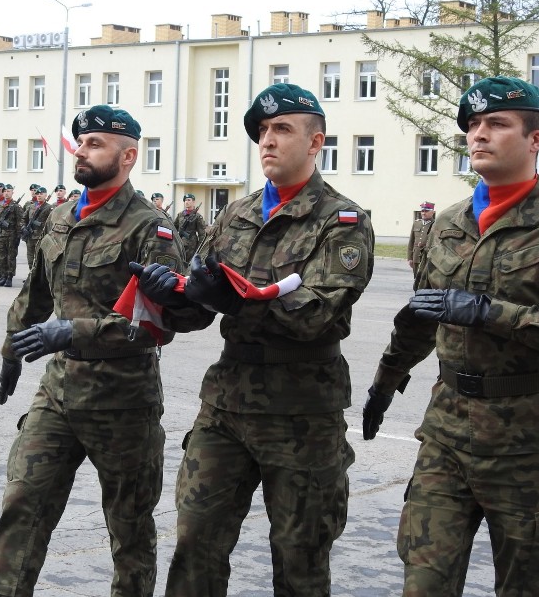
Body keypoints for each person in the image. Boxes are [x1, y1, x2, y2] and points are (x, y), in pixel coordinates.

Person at [362, 76, 539, 597]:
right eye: (473, 125)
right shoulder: (448, 223)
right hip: (446, 433)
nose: (479, 135)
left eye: (497, 124)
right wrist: (385, 382)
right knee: (423, 583)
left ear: (536, 139)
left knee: (526, 585)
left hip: (527, 444)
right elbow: (421, 316)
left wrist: (491, 313)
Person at [139, 83, 373, 596]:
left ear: (316, 143)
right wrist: (172, 296)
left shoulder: (343, 221)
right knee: (194, 541)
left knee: (299, 558)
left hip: (302, 413)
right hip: (226, 405)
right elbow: (198, 309)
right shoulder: (234, 215)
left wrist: (237, 299)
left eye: (282, 129)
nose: (267, 140)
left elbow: (317, 312)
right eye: (262, 131)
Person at [0, 105, 195, 597]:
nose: (81, 149)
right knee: (22, 506)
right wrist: (11, 350)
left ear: (128, 156)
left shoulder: (151, 228)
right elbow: (35, 293)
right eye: (81, 141)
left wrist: (72, 331)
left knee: (129, 529)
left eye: (95, 143)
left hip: (122, 401)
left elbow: (155, 325)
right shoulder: (61, 215)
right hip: (57, 394)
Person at [0, 184, 22, 287]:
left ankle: (9, 277)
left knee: (11, 257)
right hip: (0, 236)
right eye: (5, 191)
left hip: (11, 236)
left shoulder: (16, 206)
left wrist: (18, 237)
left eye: (9, 191)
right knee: (2, 257)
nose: (7, 193)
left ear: (12, 193)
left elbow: (19, 222)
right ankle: (3, 276)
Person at [20, 184, 51, 271]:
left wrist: (41, 225)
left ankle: (39, 279)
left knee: (40, 259)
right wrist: (24, 228)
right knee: (30, 258)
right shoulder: (31, 206)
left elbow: (50, 222)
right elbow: (23, 219)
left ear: (45, 195)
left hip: (40, 237)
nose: (39, 196)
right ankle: (31, 275)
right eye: (37, 194)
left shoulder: (48, 208)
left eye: (41, 194)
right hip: (30, 236)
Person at [173, 192, 206, 261]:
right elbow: (174, 228)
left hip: (192, 245)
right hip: (180, 243)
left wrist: (200, 248)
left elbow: (202, 234)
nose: (186, 202)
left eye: (189, 200)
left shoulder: (197, 216)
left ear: (193, 202)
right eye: (185, 200)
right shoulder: (180, 214)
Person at [407, 201, 435, 277]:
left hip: (428, 257)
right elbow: (411, 241)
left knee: (426, 280)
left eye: (426, 211)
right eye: (422, 211)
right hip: (416, 256)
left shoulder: (435, 225)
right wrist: (410, 257)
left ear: (432, 212)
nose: (423, 213)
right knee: (416, 278)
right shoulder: (416, 223)